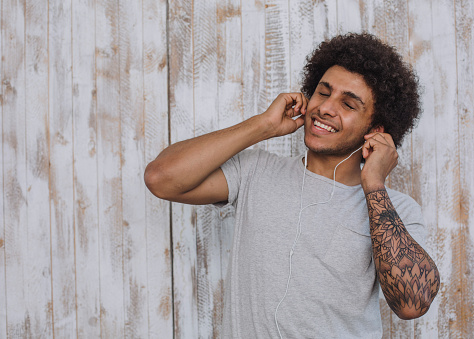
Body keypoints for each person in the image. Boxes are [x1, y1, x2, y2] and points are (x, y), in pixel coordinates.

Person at [145, 33, 440, 338]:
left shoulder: (396, 210)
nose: (326, 108)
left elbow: (412, 303)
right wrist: (263, 125)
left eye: (348, 105)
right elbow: (161, 178)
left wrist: (375, 185)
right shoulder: (255, 170)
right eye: (323, 93)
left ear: (376, 130)